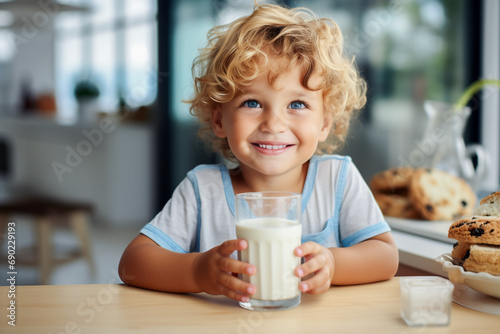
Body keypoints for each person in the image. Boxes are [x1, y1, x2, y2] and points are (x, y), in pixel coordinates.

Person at [119, 3, 398, 303]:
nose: (274, 124)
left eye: (297, 104)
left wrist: (333, 263)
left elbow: (385, 256)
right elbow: (132, 263)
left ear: (324, 123)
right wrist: (198, 271)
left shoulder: (337, 179)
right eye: (252, 103)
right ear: (219, 120)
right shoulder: (203, 189)